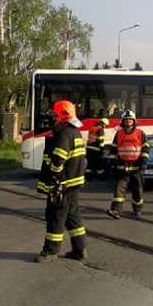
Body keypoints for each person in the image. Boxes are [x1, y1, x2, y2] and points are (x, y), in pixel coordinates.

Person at [35, 100, 88, 263]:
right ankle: (79, 250)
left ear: (60, 117)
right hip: (72, 184)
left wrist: (54, 180)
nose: (51, 120)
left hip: (62, 185)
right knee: (72, 217)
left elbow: (58, 160)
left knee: (56, 216)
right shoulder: (75, 133)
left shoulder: (64, 134)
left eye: (53, 116)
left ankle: (51, 251)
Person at [105, 109, 150, 219]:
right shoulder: (119, 134)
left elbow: (146, 148)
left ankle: (137, 209)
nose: (128, 121)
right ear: (123, 121)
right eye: (126, 120)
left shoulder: (140, 133)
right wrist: (111, 163)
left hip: (136, 167)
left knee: (137, 191)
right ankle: (115, 210)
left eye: (130, 119)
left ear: (134, 121)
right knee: (119, 189)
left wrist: (143, 162)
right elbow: (113, 149)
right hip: (122, 167)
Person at [85, 109, 108, 180]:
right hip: (96, 149)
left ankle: (88, 177)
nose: (105, 127)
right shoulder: (100, 130)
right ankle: (101, 177)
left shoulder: (92, 128)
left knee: (90, 164)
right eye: (105, 125)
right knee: (99, 164)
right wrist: (102, 150)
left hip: (88, 148)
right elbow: (101, 141)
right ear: (103, 123)